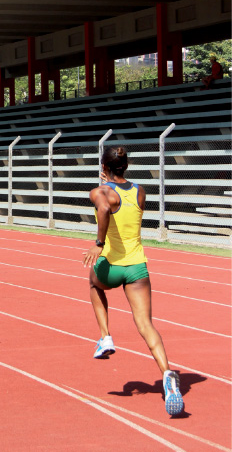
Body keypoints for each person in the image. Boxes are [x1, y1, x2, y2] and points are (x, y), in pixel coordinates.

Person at [83, 145, 184, 416]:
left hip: (113, 265)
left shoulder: (100, 192)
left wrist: (98, 243)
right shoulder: (140, 190)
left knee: (93, 281)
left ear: (103, 167)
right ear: (124, 167)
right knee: (145, 325)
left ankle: (105, 337)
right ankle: (167, 373)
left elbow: (104, 207)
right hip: (138, 267)